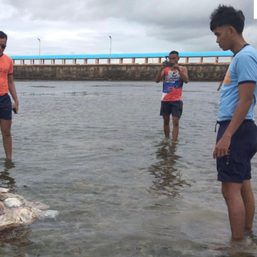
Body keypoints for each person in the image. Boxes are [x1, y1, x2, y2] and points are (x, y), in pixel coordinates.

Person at [210, 5, 257, 241]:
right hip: (243, 129)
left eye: (218, 34)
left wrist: (227, 136)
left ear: (230, 30)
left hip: (236, 129)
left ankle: (236, 245)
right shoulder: (242, 56)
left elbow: (246, 100)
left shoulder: (246, 57)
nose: (217, 40)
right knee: (243, 184)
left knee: (230, 190)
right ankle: (246, 235)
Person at [155, 50, 189, 141]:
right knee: (166, 121)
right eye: (170, 58)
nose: (172, 60)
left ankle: (174, 142)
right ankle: (166, 140)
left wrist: (178, 69)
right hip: (165, 99)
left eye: (174, 58)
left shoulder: (182, 68)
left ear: (178, 58)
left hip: (177, 100)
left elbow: (186, 80)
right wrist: (161, 68)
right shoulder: (165, 69)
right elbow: (157, 80)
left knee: (175, 121)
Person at [0, 31, 19, 161]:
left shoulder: (8, 60)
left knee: (6, 133)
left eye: (4, 46)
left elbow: (11, 82)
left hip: (4, 99)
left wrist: (16, 101)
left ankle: (9, 162)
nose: (1, 48)